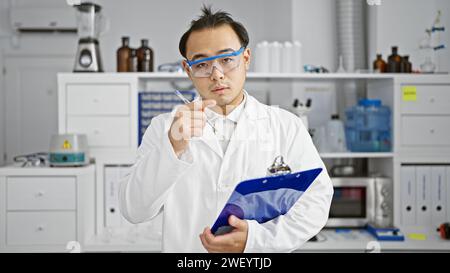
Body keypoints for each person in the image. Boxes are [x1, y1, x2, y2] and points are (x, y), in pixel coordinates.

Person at [119, 5, 333, 253]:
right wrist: (173, 147)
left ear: (246, 58)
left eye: (227, 59)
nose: (217, 75)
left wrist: (255, 240)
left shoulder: (285, 126)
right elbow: (133, 210)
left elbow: (316, 202)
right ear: (188, 70)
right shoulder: (164, 128)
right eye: (202, 64)